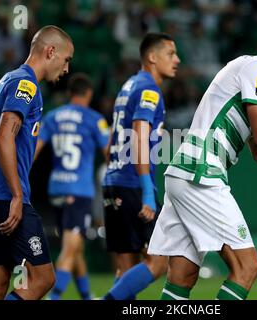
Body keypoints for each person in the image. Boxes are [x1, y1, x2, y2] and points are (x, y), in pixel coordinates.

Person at [148, 40, 257, 300]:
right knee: (247, 267)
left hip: (183, 174)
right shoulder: (256, 69)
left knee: (182, 275)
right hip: (201, 173)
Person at [0, 25, 74, 300]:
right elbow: (4, 136)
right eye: (66, 60)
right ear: (51, 51)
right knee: (42, 278)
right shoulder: (26, 84)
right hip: (3, 195)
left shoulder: (6, 80)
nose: (66, 69)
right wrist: (17, 193)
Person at [101, 32, 180, 300]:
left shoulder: (127, 87)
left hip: (114, 181)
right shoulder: (149, 89)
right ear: (152, 57)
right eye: (171, 54)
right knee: (158, 262)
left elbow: (113, 138)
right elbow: (139, 134)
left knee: (127, 267)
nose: (177, 60)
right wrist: (147, 188)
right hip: (133, 183)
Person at [34, 73, 109, 300]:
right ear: (89, 94)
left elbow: (35, 149)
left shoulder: (52, 117)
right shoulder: (95, 119)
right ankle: (54, 297)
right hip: (79, 190)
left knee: (75, 247)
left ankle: (87, 296)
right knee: (70, 248)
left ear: (69, 93)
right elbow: (109, 153)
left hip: (56, 187)